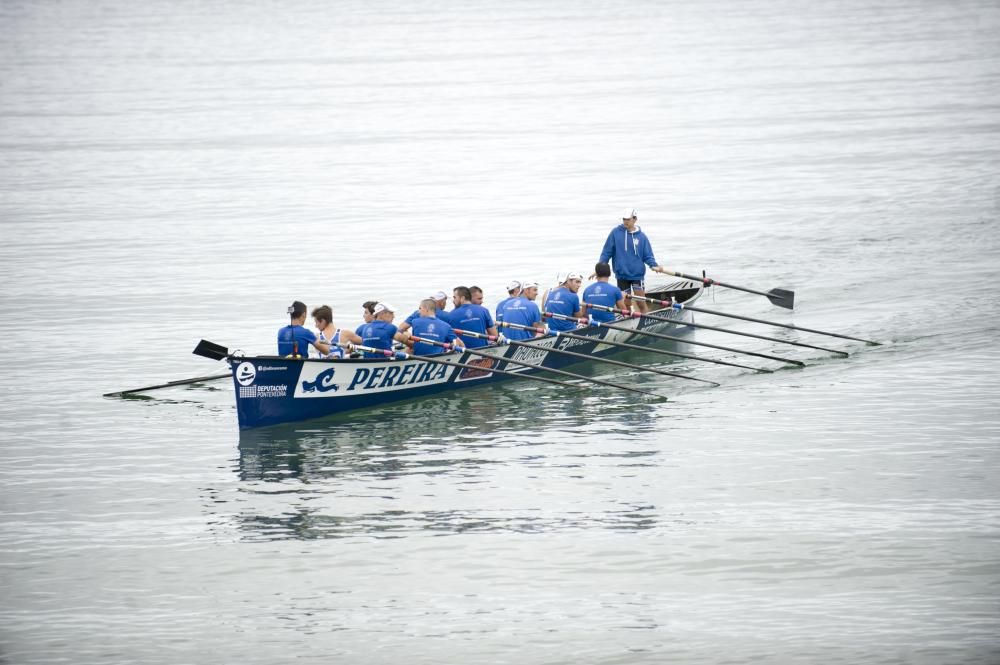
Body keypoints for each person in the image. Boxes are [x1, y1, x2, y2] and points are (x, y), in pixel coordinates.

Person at [597, 208, 668, 313]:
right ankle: (628, 321)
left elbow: (648, 256)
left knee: (641, 302)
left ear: (635, 219)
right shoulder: (615, 233)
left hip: (637, 276)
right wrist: (599, 267)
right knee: (626, 303)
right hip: (622, 275)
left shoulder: (642, 237)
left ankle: (646, 318)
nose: (625, 221)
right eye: (624, 219)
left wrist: (654, 265)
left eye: (628, 219)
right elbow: (607, 252)